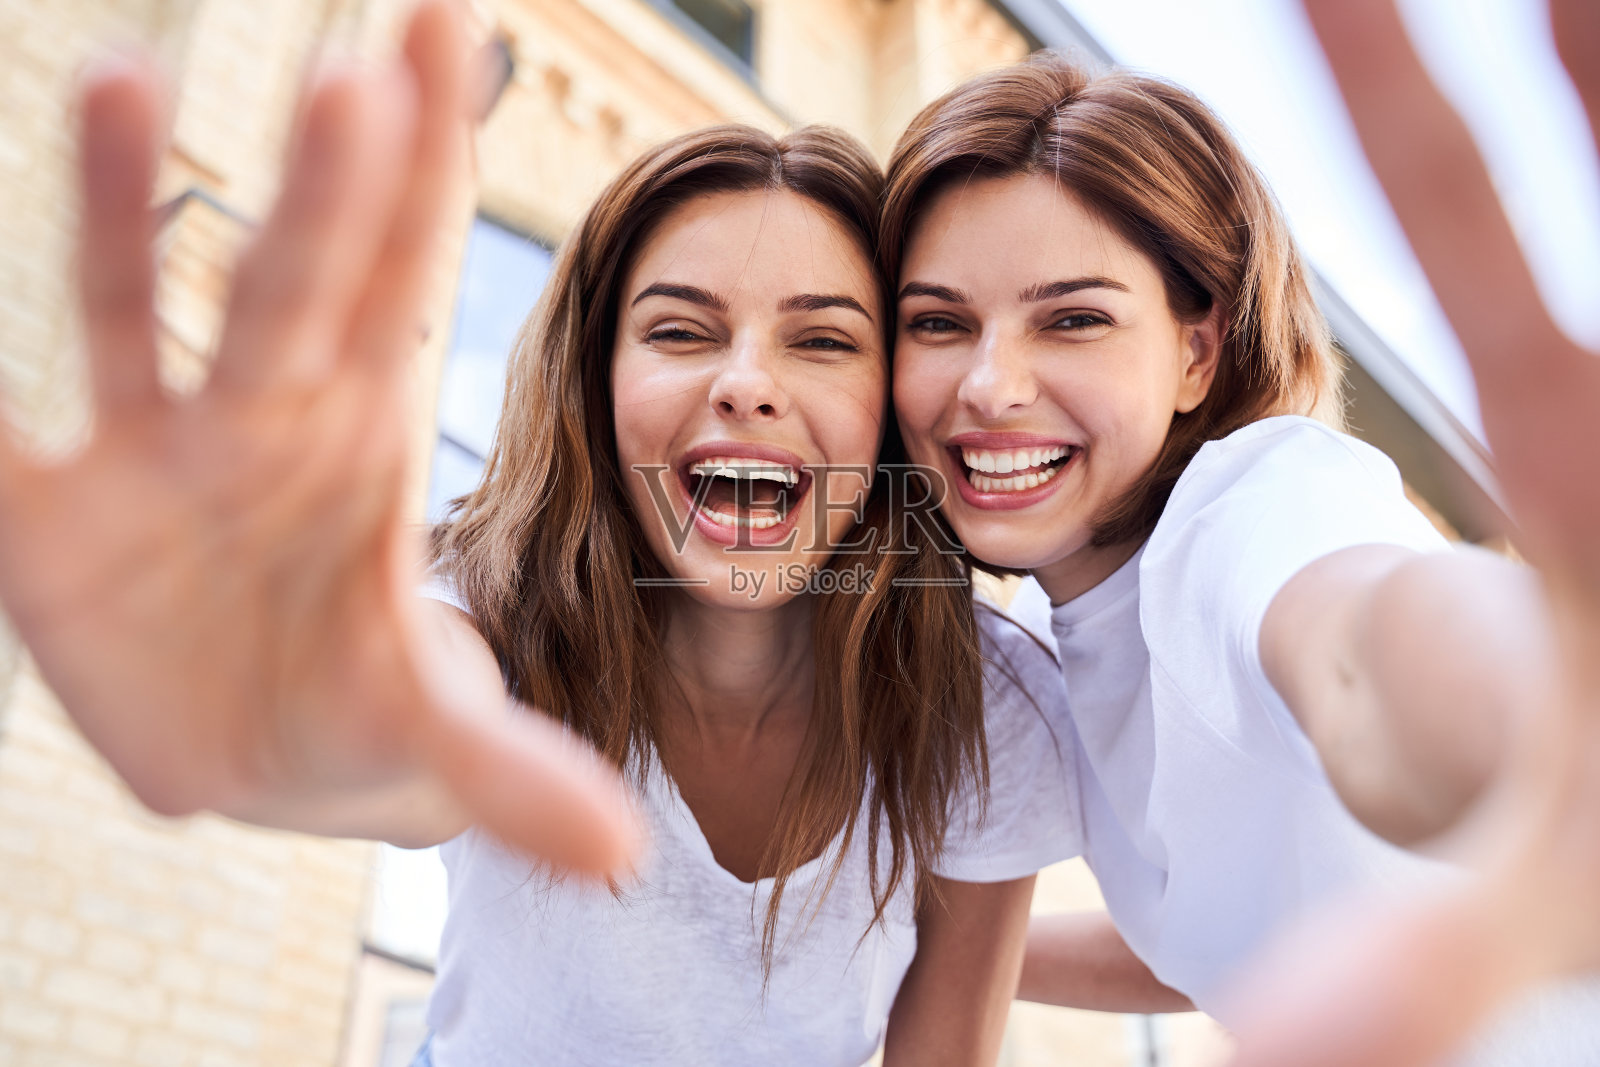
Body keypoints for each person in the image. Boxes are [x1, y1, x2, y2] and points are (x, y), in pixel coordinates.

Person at [0, 3, 1185, 1063]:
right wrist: (262, 709)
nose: (744, 382)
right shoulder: (494, 605)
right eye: (678, 331)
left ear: (886, 414)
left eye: (822, 339)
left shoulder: (983, 706)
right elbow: (408, 730)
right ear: (596, 389)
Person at [879, 2, 1600, 1061]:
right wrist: (898, 934)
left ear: (1196, 353)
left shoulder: (1257, 506)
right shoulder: (1053, 633)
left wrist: (1529, 698)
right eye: (938, 322)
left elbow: (1366, 647)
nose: (988, 385)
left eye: (1073, 317)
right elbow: (1215, 939)